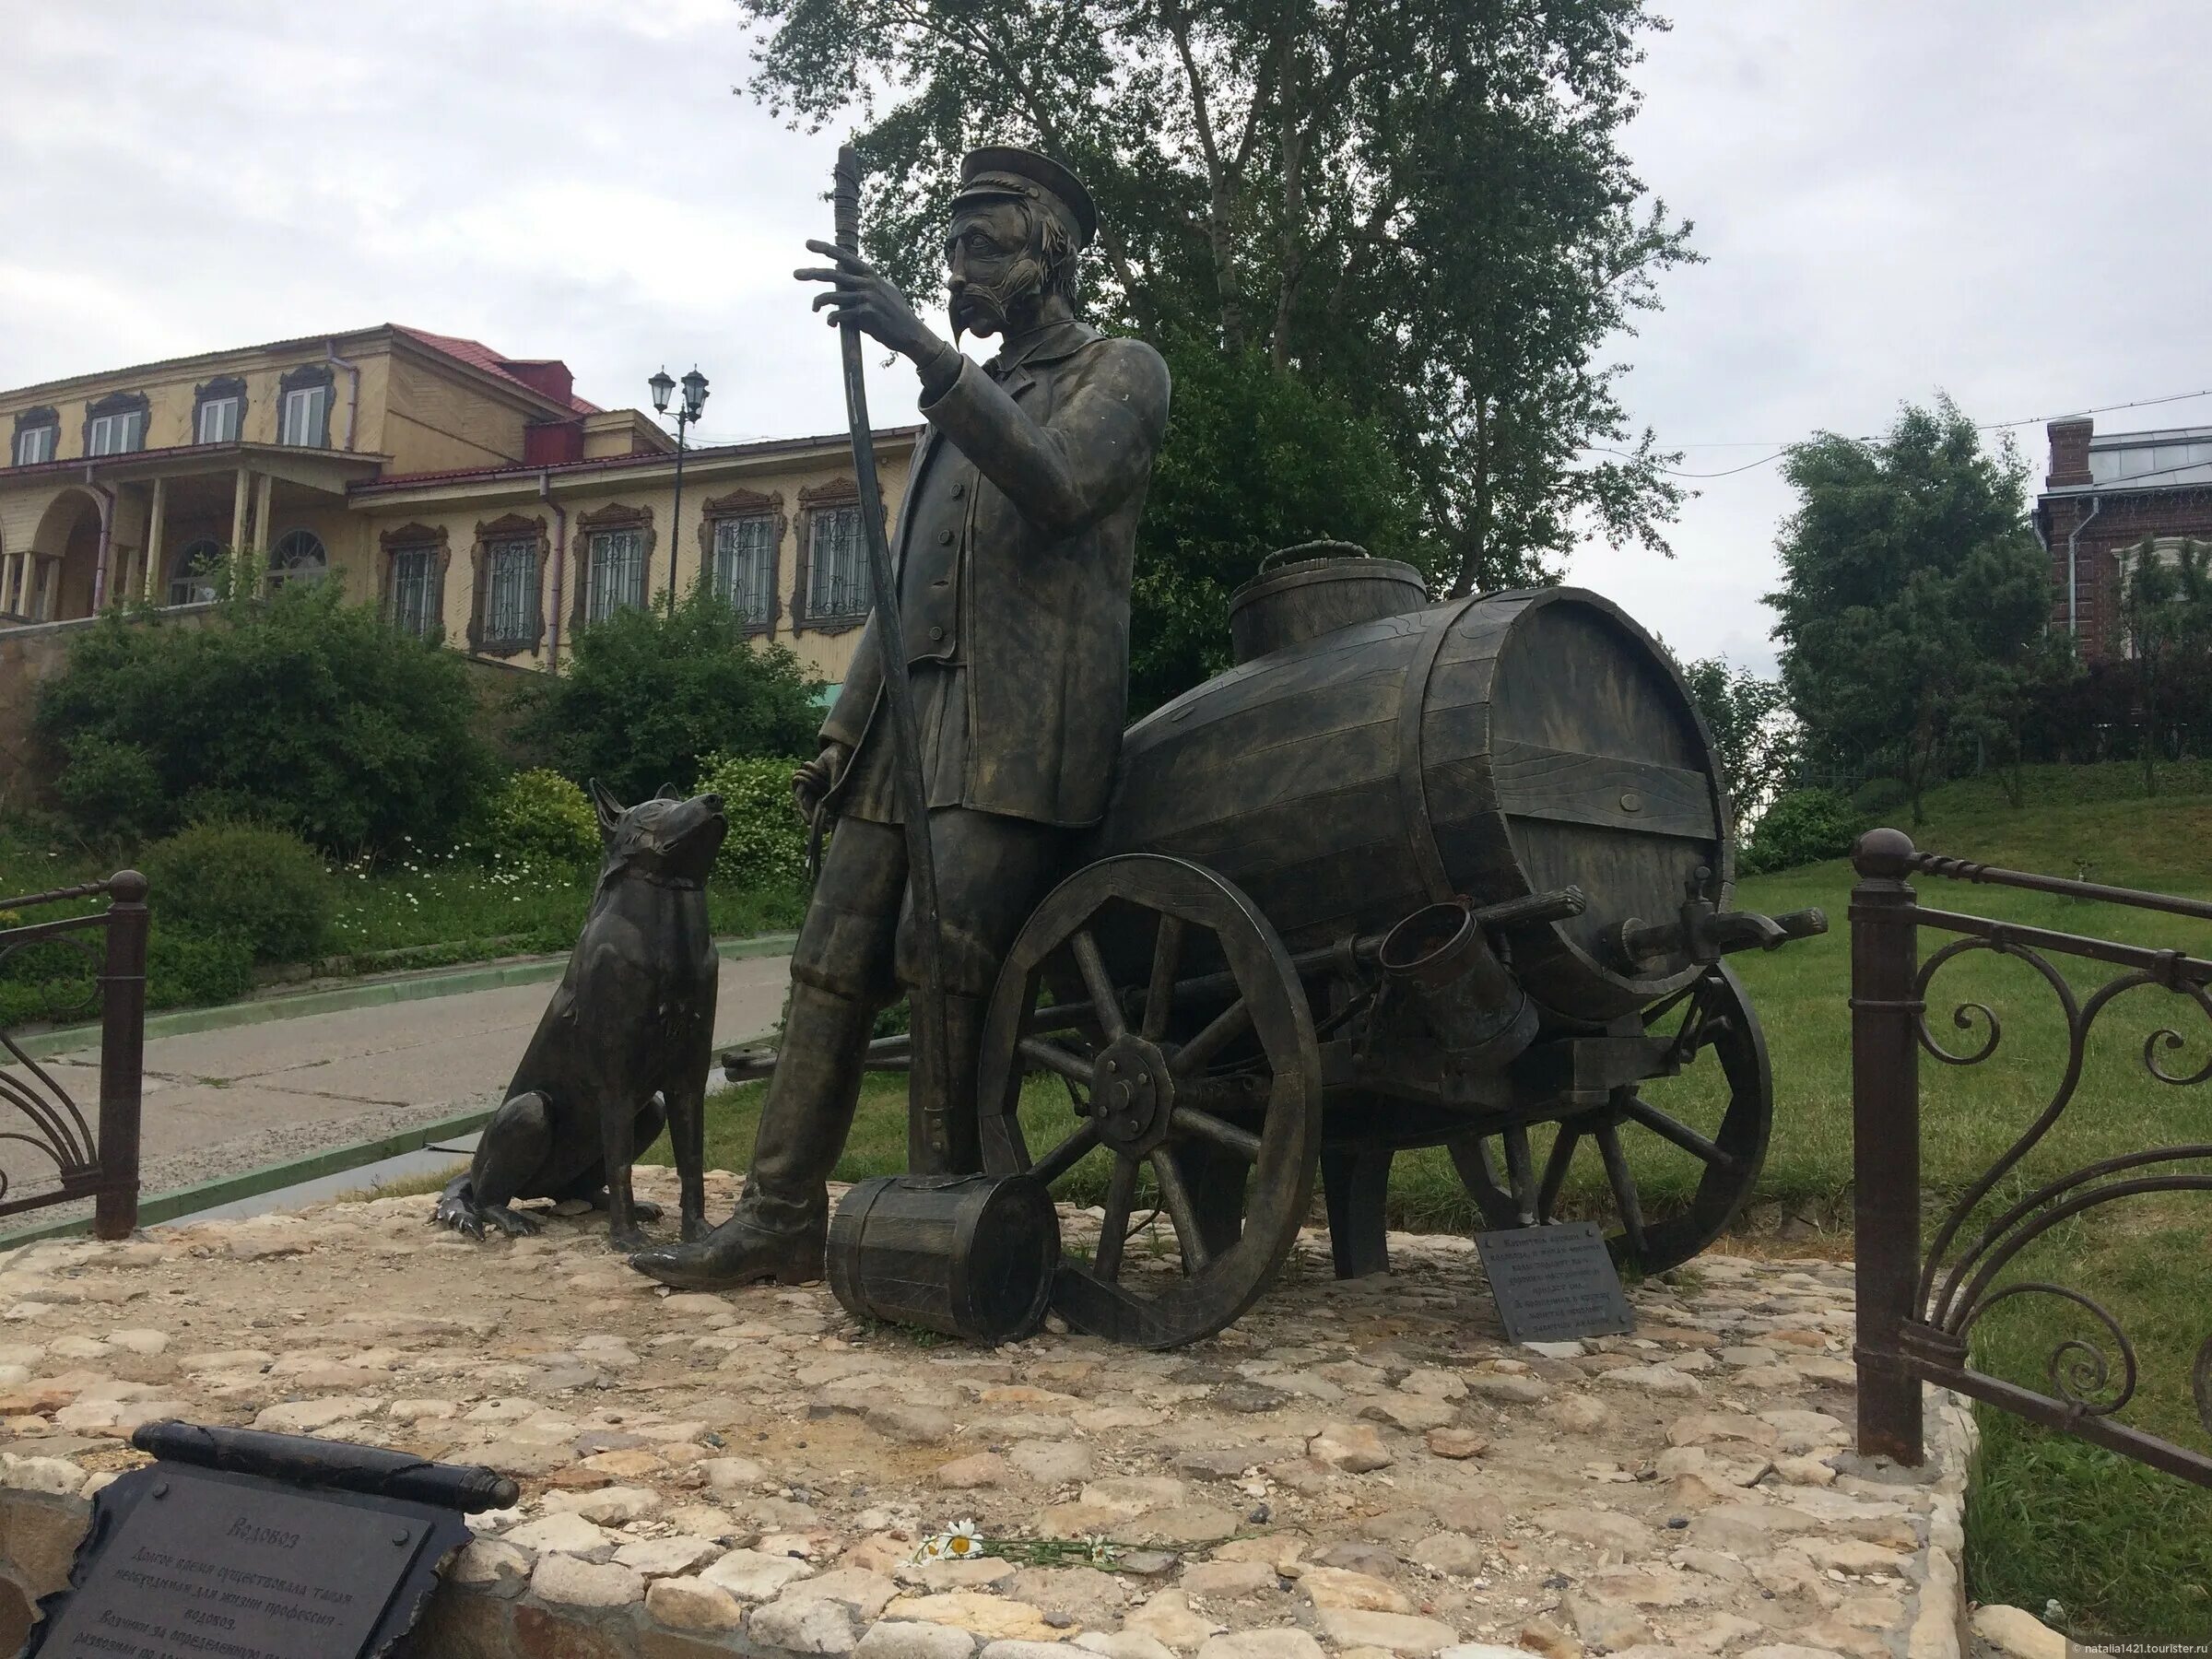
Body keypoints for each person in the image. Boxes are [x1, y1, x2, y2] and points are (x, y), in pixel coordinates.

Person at [630, 147, 1171, 1288]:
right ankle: (779, 1214)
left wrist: (922, 351)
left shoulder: (1119, 371)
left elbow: (1063, 485)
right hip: (908, 733)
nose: (959, 269)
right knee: (828, 961)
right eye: (950, 248)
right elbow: (894, 583)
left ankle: (959, 1211)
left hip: (1021, 733)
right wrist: (842, 732)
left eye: (982, 244)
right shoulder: (946, 422)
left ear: (1049, 250)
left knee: (947, 959)